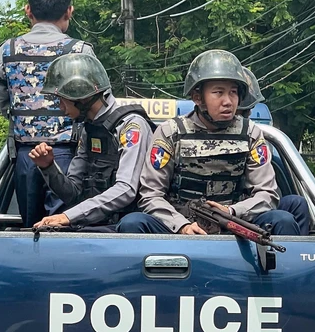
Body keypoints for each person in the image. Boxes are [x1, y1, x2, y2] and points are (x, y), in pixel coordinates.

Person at [118, 50, 298, 236]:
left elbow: (267, 193)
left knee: (283, 220)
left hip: (234, 225)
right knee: (132, 223)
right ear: (198, 97)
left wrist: (232, 212)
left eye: (233, 92)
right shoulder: (171, 132)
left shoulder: (251, 132)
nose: (227, 101)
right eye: (218, 92)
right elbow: (151, 195)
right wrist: (181, 226)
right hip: (179, 226)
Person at [0, 0, 95, 227]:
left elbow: (3, 104)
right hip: (68, 157)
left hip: (25, 156)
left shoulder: (6, 51)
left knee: (31, 231)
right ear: (69, 10)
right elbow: (95, 106)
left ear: (28, 10)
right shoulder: (81, 52)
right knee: (63, 228)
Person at [29, 55, 155, 230]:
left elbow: (126, 189)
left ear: (79, 97)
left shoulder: (131, 127)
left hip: (129, 230)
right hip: (98, 228)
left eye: (61, 99)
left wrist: (68, 217)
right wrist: (47, 167)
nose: (60, 107)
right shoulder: (89, 129)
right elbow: (73, 194)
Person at [238, 67, 310, 236]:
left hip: (247, 209)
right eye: (245, 110)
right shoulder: (179, 136)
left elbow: (267, 192)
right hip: (203, 214)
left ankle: (298, 256)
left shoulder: (253, 137)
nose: (249, 113)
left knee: (296, 203)